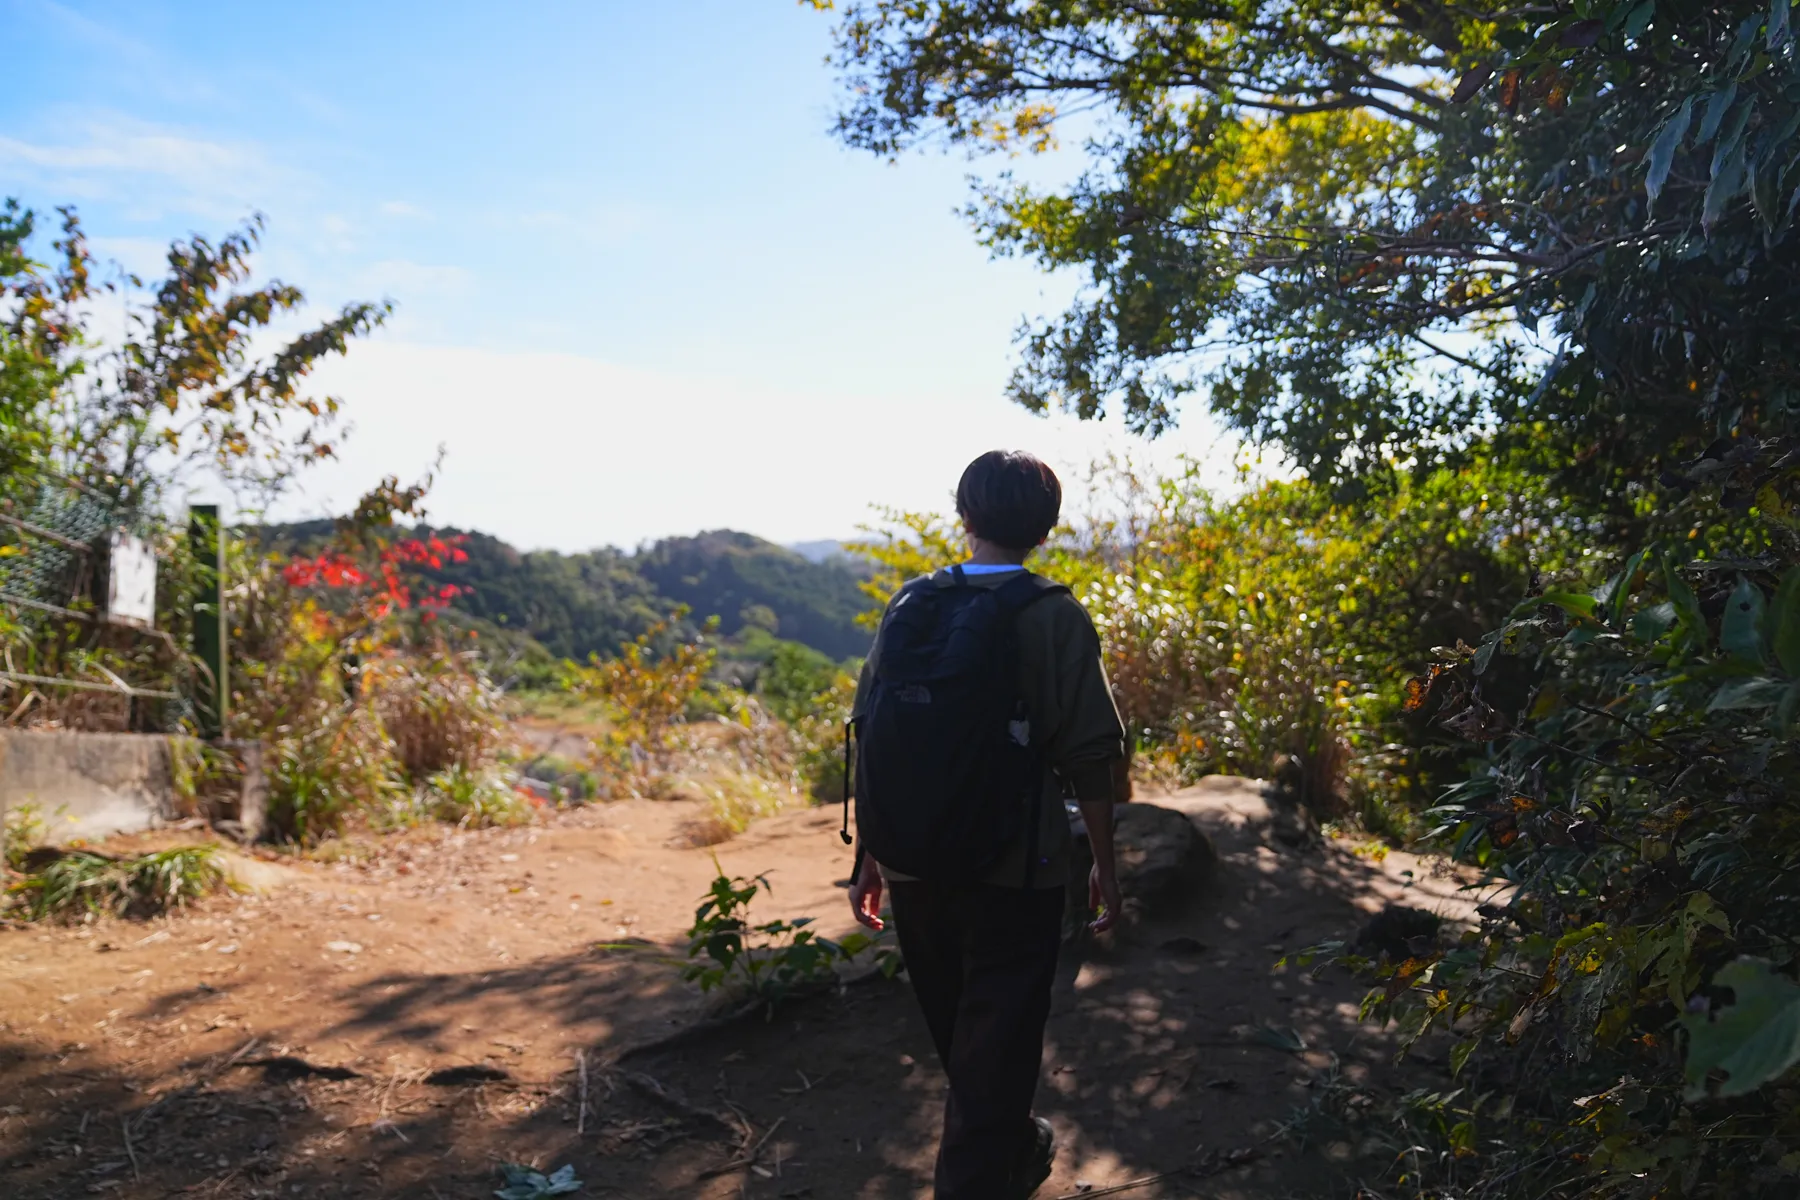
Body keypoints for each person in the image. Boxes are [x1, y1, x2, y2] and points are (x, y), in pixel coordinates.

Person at [847, 449, 1127, 1200]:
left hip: (913, 862)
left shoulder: (913, 604)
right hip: (1017, 866)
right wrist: (1104, 863)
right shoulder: (1053, 614)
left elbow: (874, 730)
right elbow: (1092, 756)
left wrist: (868, 858)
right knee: (994, 1048)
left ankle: (1012, 1147)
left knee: (967, 1044)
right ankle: (987, 1168)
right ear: (1047, 528)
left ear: (963, 517)